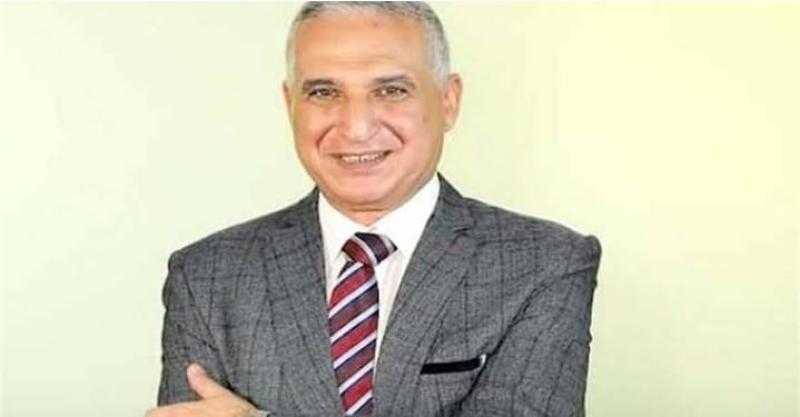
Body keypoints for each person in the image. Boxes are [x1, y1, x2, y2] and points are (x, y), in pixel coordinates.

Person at [147, 2, 602, 417]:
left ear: (448, 101)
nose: (357, 127)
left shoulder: (545, 265)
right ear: (290, 105)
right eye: (323, 92)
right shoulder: (206, 277)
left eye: (391, 91)